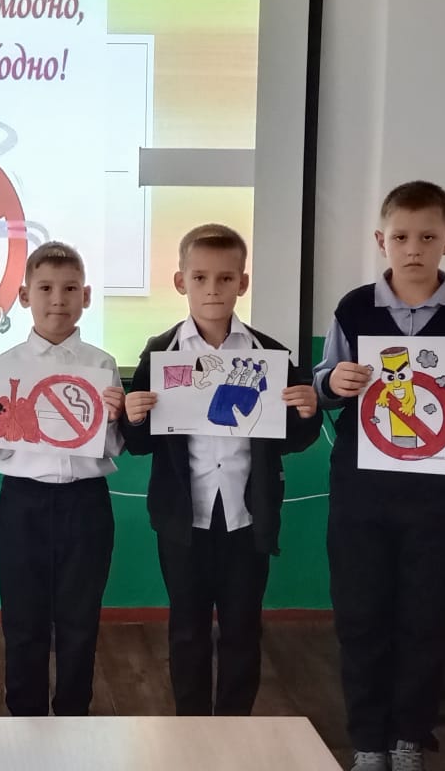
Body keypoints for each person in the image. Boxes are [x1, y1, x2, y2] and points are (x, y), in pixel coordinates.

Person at [313, 182, 445, 771]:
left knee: (426, 620)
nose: (414, 248)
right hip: (361, 496)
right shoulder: (354, 307)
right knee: (361, 617)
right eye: (401, 237)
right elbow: (325, 381)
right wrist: (333, 383)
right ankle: (368, 742)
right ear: (382, 241)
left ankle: (408, 739)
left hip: (434, 498)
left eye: (427, 236)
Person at [120, 223, 321, 718]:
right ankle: (191, 726)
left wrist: (307, 411)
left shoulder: (270, 355)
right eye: (201, 277)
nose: (213, 289)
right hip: (182, 519)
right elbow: (139, 445)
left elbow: (293, 439)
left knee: (242, 629)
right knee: (186, 629)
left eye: (226, 278)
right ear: (181, 282)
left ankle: (235, 726)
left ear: (242, 283)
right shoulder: (160, 353)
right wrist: (134, 416)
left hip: (247, 519)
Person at [0, 241, 125, 717]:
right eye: (46, 288)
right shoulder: (4, 366)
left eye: (70, 289)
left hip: (86, 503)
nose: (58, 299)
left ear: (86, 296)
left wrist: (116, 417)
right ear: (23, 296)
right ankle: (25, 718)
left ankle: (74, 715)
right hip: (23, 503)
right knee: (23, 618)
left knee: (80, 618)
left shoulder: (102, 365)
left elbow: (112, 447)